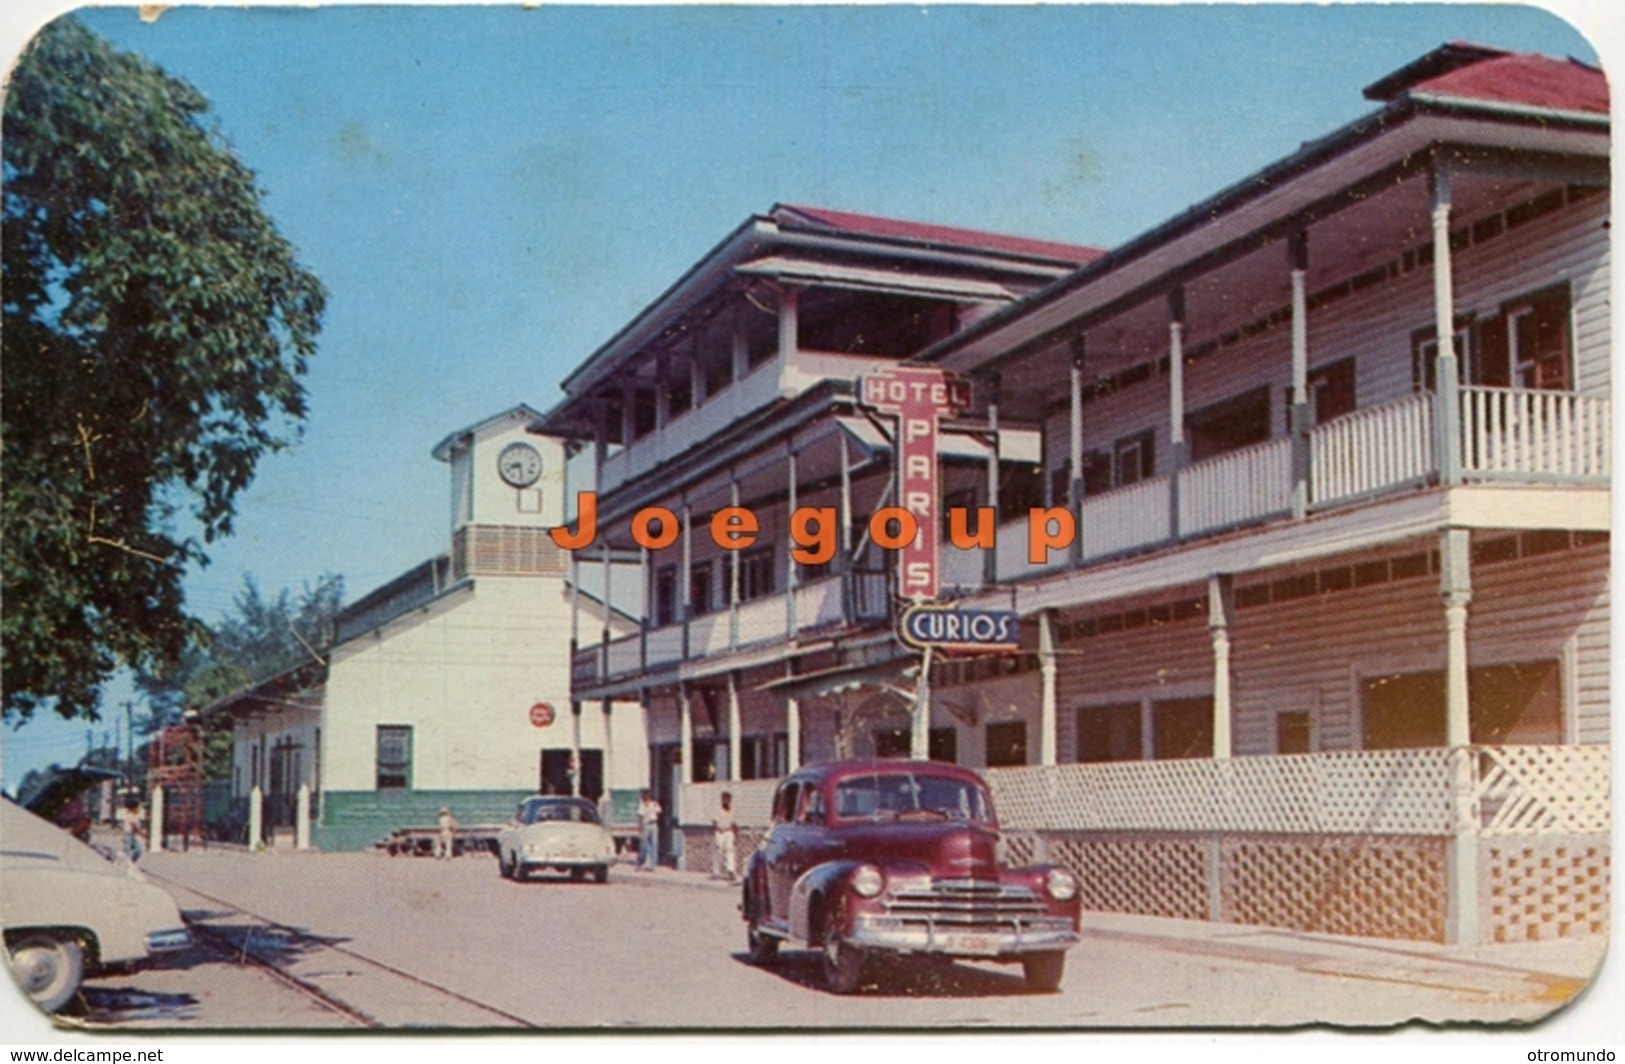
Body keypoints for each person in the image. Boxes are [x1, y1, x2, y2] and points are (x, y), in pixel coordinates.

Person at [712, 791, 738, 881]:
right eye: (725, 799)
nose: (727, 801)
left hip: (728, 831)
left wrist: (735, 834)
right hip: (720, 832)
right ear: (722, 800)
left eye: (728, 799)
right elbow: (714, 822)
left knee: (730, 851)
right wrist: (717, 829)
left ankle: (730, 870)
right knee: (719, 850)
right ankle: (716, 871)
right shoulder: (718, 809)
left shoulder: (732, 810)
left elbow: (734, 823)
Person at [636, 789, 662, 871]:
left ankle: (653, 864)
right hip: (646, 824)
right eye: (645, 796)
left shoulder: (654, 804)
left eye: (648, 795)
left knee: (654, 844)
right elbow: (640, 816)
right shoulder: (643, 805)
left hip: (653, 824)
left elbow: (659, 811)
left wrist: (654, 805)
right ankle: (641, 861)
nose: (647, 797)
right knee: (644, 844)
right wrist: (640, 827)